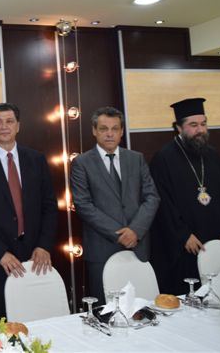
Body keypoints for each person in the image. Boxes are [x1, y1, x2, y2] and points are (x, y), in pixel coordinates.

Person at [0, 102, 57, 326]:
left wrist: (44, 245)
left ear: (18, 126)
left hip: (34, 260)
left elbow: (49, 206)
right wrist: (0, 253)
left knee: (37, 325)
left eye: (9, 121)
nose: (4, 126)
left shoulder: (36, 159)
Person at [149, 98, 220, 294]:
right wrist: (183, 235)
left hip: (217, 242)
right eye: (193, 125)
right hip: (186, 246)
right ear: (178, 128)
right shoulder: (163, 159)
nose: (200, 130)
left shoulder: (213, 155)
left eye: (203, 124)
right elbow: (162, 204)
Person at [70, 107, 159, 304]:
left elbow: (152, 197)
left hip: (138, 246)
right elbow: (83, 205)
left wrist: (135, 231)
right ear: (94, 131)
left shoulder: (136, 158)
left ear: (121, 131)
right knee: (106, 310)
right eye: (103, 129)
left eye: (115, 128)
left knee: (142, 308)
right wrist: (120, 234)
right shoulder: (81, 163)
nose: (109, 134)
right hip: (102, 250)